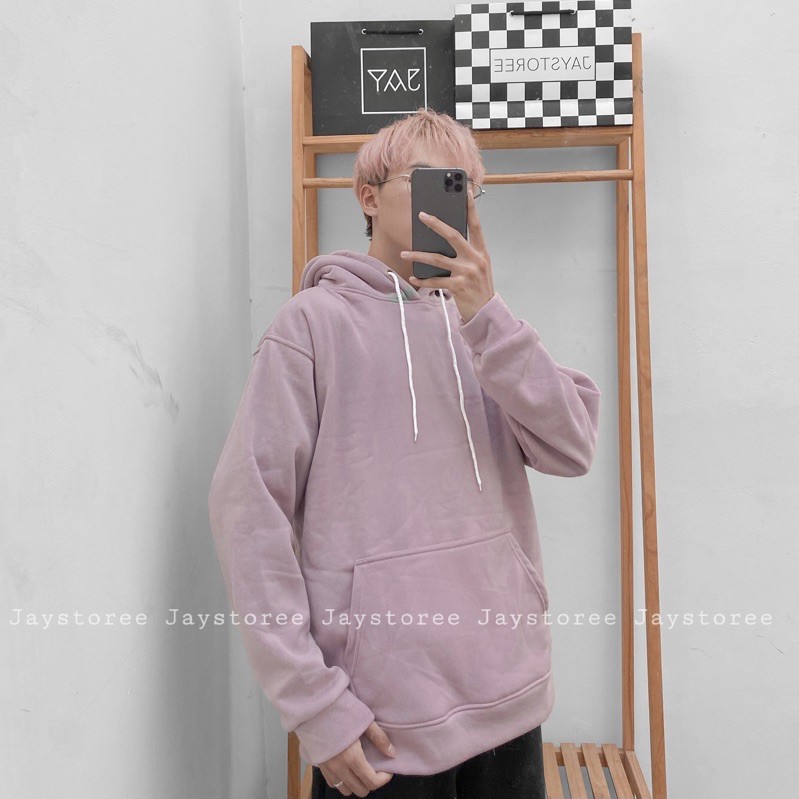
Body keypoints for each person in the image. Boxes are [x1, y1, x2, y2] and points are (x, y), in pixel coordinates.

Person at [208, 107, 601, 798]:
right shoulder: (312, 325)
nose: (451, 201)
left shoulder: (484, 329)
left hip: (510, 703)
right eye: (428, 181)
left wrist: (488, 317)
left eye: (464, 186)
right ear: (367, 196)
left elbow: (572, 447)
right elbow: (248, 511)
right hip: (380, 727)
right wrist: (314, 706)